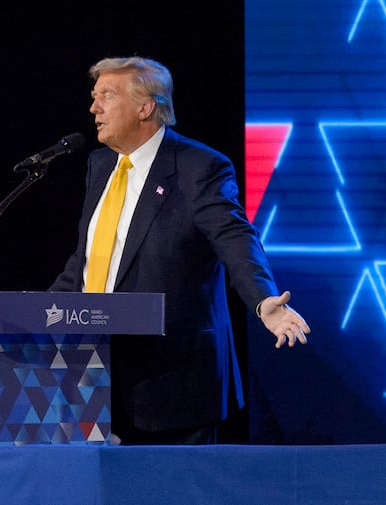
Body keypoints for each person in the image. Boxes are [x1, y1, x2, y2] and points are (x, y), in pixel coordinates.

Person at [50, 55, 308, 444]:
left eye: (106, 95)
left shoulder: (198, 167)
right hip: (95, 381)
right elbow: (89, 260)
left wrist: (263, 300)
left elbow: (235, 239)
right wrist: (34, 317)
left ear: (145, 106)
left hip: (173, 380)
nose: (93, 107)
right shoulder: (100, 165)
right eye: (94, 95)